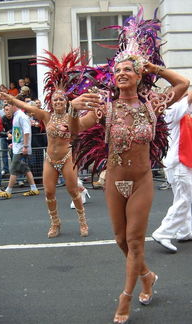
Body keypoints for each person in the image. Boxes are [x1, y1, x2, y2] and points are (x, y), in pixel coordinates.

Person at [68, 8, 189, 323]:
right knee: (120, 240)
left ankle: (125, 298)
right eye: (117, 70)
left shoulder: (153, 103)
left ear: (138, 76)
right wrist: (71, 109)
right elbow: (75, 129)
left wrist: (153, 68)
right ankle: (147, 275)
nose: (121, 73)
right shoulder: (105, 108)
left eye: (128, 70)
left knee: (135, 240)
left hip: (142, 182)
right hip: (114, 181)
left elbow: (183, 83)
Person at [0, 85, 89, 238]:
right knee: (49, 192)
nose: (58, 102)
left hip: (67, 158)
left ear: (66, 102)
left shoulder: (72, 119)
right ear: (51, 102)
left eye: (61, 99)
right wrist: (10, 98)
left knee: (73, 191)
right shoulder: (46, 116)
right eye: (55, 99)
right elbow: (26, 106)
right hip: (50, 159)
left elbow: (84, 122)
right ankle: (55, 223)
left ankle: (82, 221)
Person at [152, 92, 192, 252]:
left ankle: (184, 231)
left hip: (182, 163)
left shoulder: (184, 112)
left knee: (183, 199)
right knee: (185, 199)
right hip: (178, 164)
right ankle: (163, 232)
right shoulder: (172, 111)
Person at [0, 100, 39, 199]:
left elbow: (26, 132)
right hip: (19, 146)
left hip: (21, 148)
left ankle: (8, 191)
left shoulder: (21, 116)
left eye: (9, 106)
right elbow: (18, 132)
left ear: (14, 106)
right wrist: (14, 143)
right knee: (25, 168)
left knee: (13, 168)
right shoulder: (17, 116)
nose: (8, 108)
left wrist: (25, 147)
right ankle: (34, 188)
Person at [0, 103, 13, 176]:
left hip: (14, 137)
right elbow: (0, 130)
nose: (8, 111)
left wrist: (10, 132)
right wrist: (6, 134)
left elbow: (16, 127)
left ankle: (14, 171)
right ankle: (5, 169)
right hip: (4, 137)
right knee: (4, 153)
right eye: (6, 110)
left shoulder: (15, 117)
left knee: (13, 154)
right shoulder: (2, 118)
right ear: (4, 111)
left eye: (9, 110)